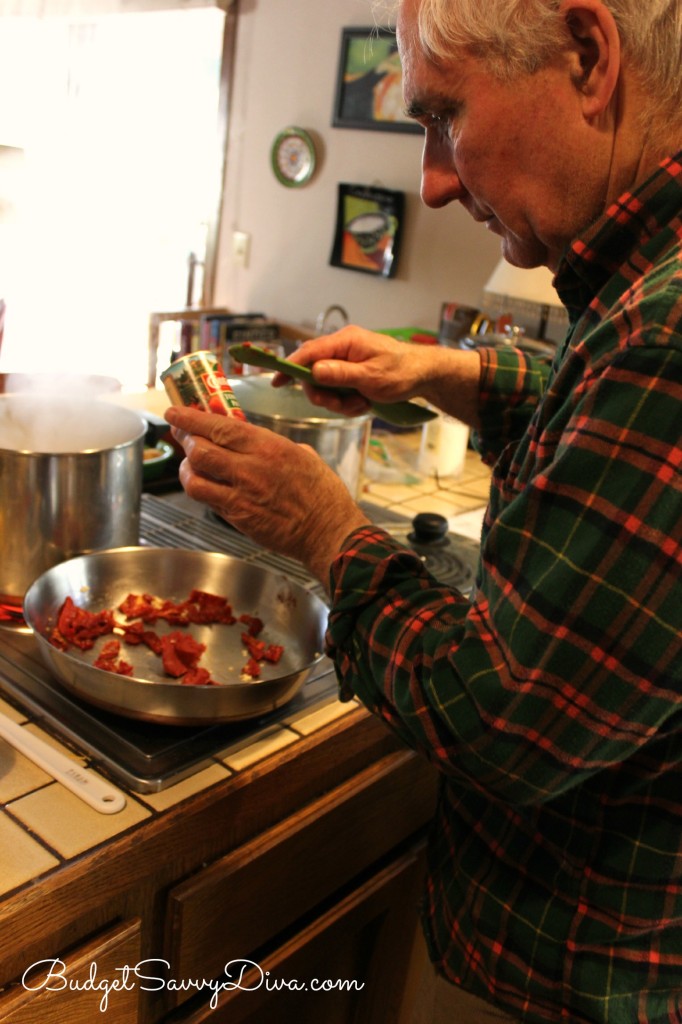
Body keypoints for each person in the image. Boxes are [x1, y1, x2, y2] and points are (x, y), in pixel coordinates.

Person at [165, 0, 682, 1019]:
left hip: (579, 978)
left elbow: (503, 715)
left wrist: (323, 526)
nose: (434, 180)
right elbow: (603, 410)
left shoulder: (667, 330)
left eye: (444, 115)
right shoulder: (640, 290)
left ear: (588, 56)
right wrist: (445, 371)